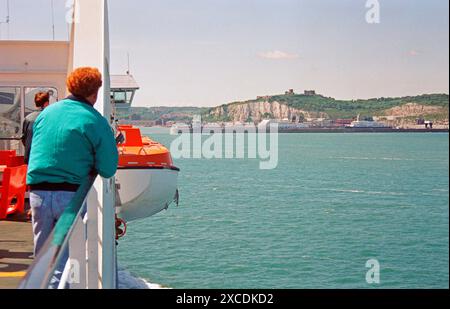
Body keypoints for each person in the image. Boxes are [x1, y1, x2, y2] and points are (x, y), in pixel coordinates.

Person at [27, 67, 118, 256]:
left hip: (38, 194)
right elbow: (108, 169)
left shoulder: (46, 113)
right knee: (67, 260)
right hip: (70, 196)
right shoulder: (94, 120)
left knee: (43, 257)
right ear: (95, 92)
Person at [21, 91, 51, 164]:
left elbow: (24, 138)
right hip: (45, 158)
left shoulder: (28, 118)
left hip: (30, 159)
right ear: (46, 103)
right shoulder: (50, 117)